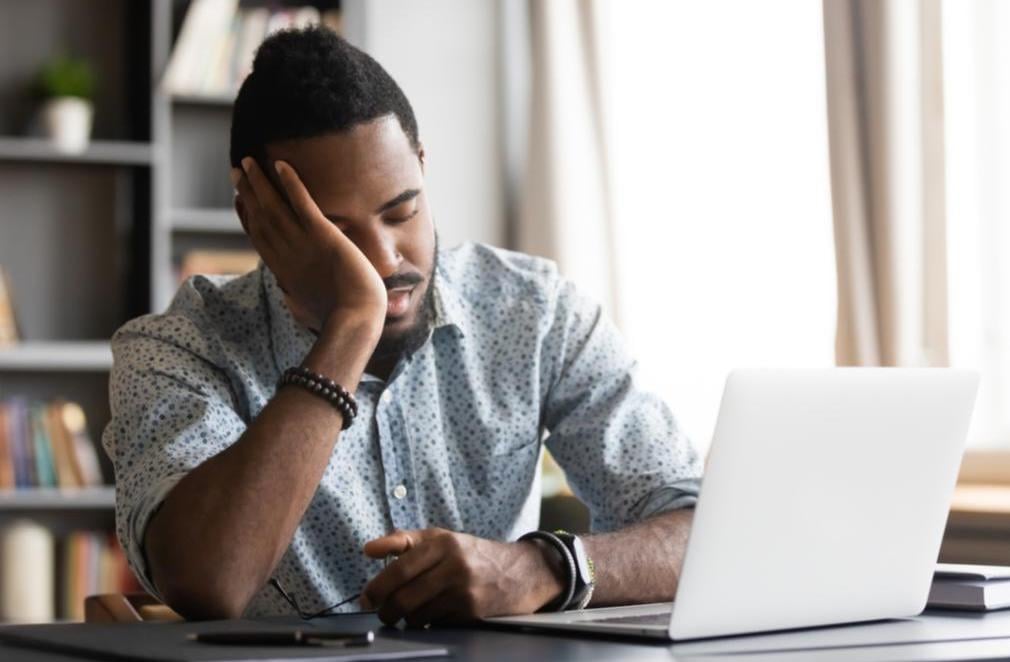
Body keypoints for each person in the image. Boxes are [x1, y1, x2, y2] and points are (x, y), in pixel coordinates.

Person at [102, 26, 702, 624]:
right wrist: (350, 324)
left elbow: (697, 529)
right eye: (339, 234)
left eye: (402, 210)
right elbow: (209, 584)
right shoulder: (177, 349)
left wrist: (544, 569)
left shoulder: (534, 312)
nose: (386, 260)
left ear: (421, 163)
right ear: (257, 217)